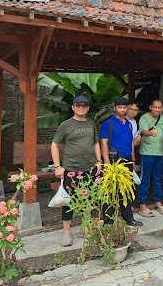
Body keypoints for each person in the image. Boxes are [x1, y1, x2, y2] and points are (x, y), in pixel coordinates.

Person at [51, 94, 103, 247]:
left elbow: (96, 144)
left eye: (84, 106)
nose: (81, 108)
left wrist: (99, 161)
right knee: (68, 201)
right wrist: (57, 166)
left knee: (89, 199)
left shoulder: (91, 123)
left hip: (90, 168)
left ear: (88, 108)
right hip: (71, 169)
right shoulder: (65, 125)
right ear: (73, 107)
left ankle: (86, 226)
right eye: (78, 105)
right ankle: (67, 233)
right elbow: (54, 145)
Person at [99, 97, 141, 227]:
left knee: (126, 190)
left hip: (127, 160)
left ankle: (128, 218)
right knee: (111, 190)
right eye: (120, 107)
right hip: (113, 161)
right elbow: (104, 143)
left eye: (124, 107)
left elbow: (130, 143)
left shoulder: (128, 123)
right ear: (115, 108)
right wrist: (106, 163)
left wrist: (132, 160)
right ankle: (108, 220)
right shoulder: (108, 123)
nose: (122, 110)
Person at [137, 99, 163, 217]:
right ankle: (142, 205)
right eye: (155, 107)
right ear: (150, 107)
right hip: (146, 153)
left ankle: (158, 202)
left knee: (158, 179)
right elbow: (143, 131)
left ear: (162, 108)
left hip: (159, 153)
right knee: (145, 179)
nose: (157, 109)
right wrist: (150, 133)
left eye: (159, 107)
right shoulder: (144, 117)